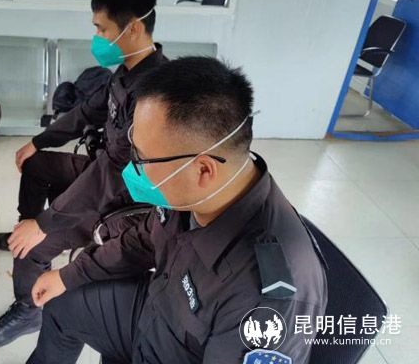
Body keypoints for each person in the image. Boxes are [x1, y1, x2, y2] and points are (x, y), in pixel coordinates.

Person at [26, 57, 328, 363]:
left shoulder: (265, 299)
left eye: (142, 159)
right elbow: (144, 239)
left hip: (181, 352)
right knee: (62, 304)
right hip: (155, 312)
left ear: (203, 170)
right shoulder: (192, 193)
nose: (133, 168)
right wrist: (69, 275)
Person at [0, 0, 168, 348]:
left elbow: (115, 174)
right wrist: (38, 141)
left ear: (133, 28)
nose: (96, 37)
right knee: (37, 166)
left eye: (101, 29)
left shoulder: (153, 94)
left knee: (34, 246)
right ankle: (23, 231)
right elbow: (87, 111)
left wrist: (46, 223)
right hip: (103, 173)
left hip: (122, 201)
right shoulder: (127, 71)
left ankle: (27, 312)